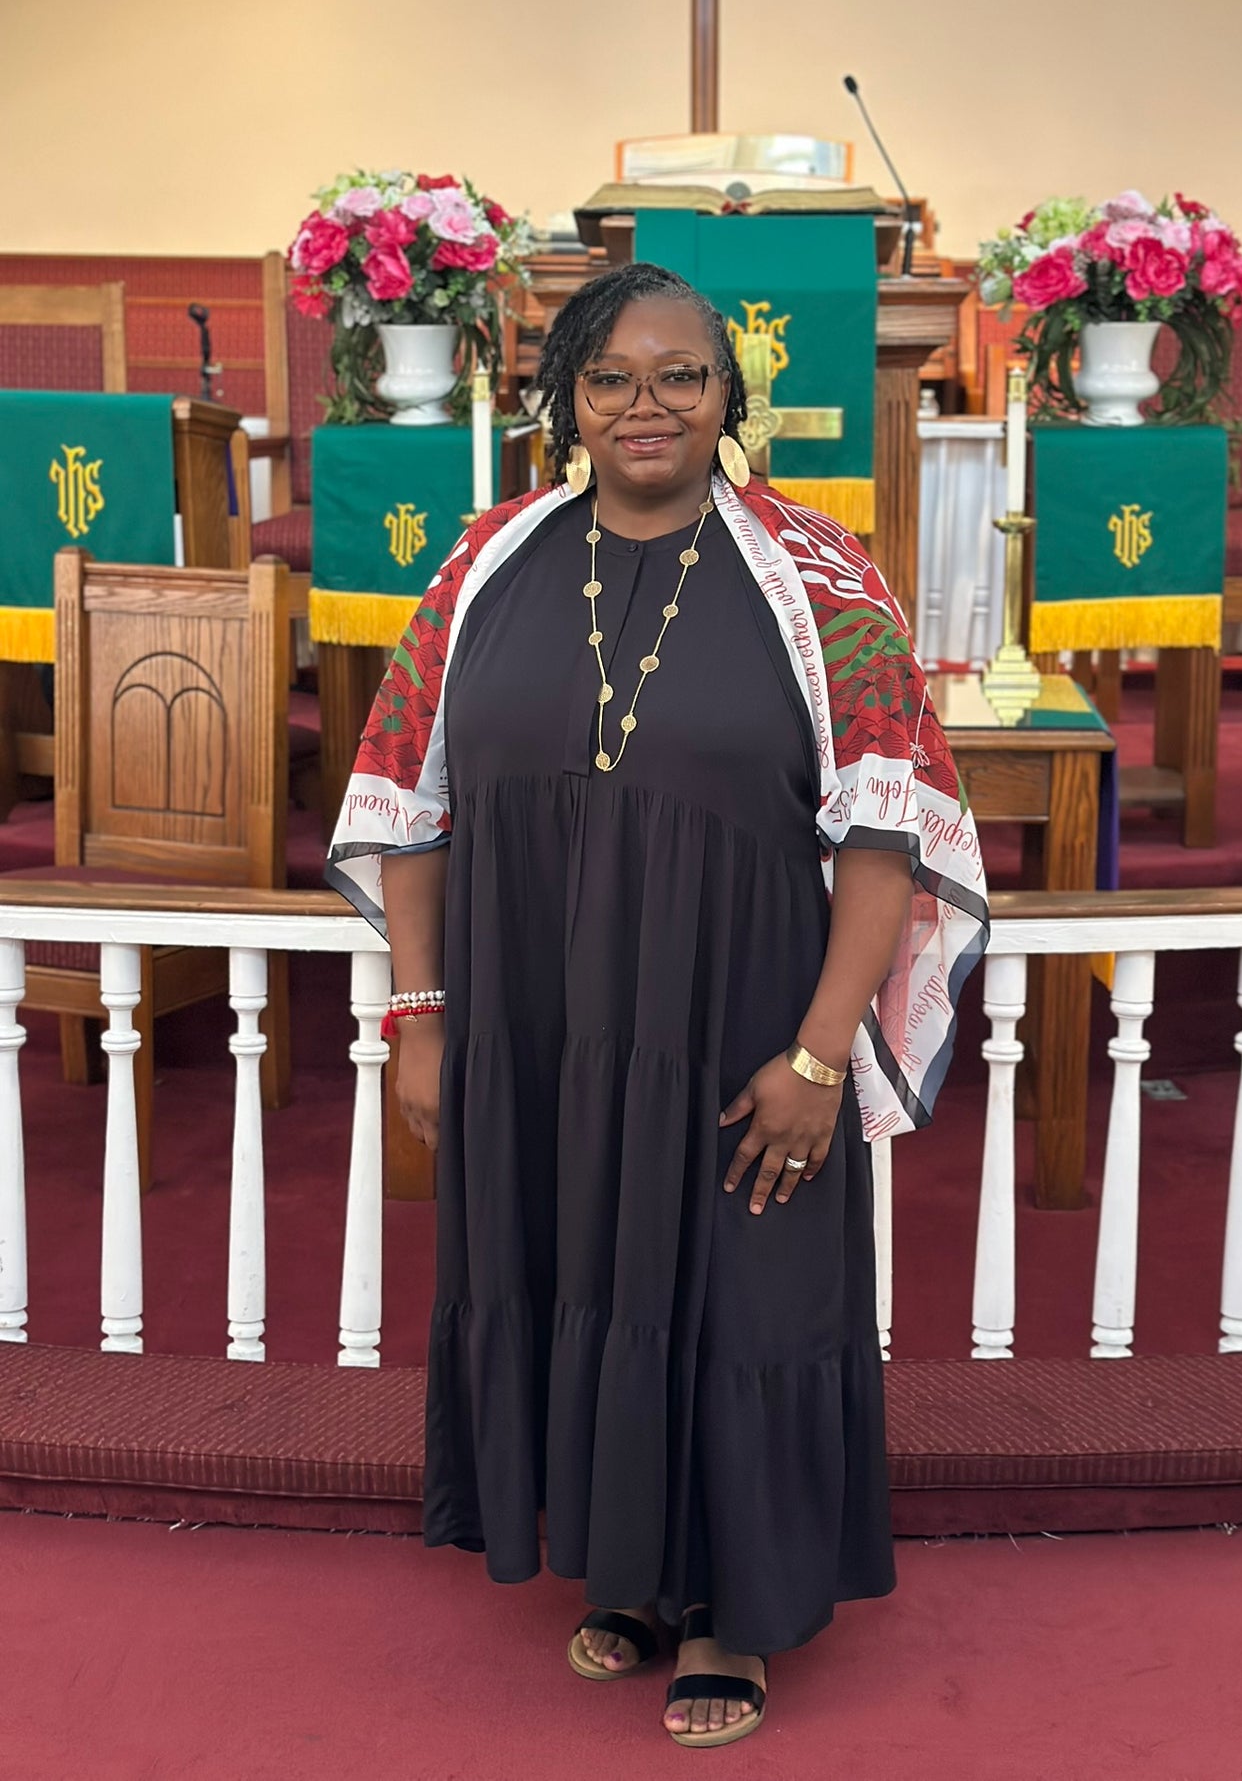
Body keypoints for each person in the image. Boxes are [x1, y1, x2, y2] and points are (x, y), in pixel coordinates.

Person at [328, 263, 988, 1750]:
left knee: (735, 1296)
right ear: (565, 395)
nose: (646, 404)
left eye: (681, 376)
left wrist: (821, 1055)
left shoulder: (820, 579)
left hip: (736, 1027)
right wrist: (422, 1011)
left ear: (727, 396)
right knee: (582, 1270)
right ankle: (626, 1571)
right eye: (613, 376)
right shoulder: (485, 562)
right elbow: (408, 802)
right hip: (541, 1022)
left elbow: (889, 834)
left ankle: (729, 1613)